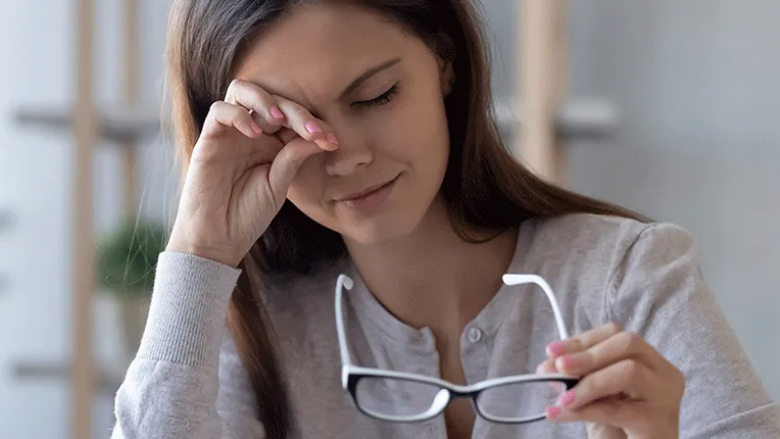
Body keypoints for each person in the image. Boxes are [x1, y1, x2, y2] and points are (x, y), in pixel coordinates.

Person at [111, 0, 780, 438]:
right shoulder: (253, 333)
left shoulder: (628, 278)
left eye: (376, 95)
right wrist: (200, 249)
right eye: (289, 127)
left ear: (446, 65)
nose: (346, 157)